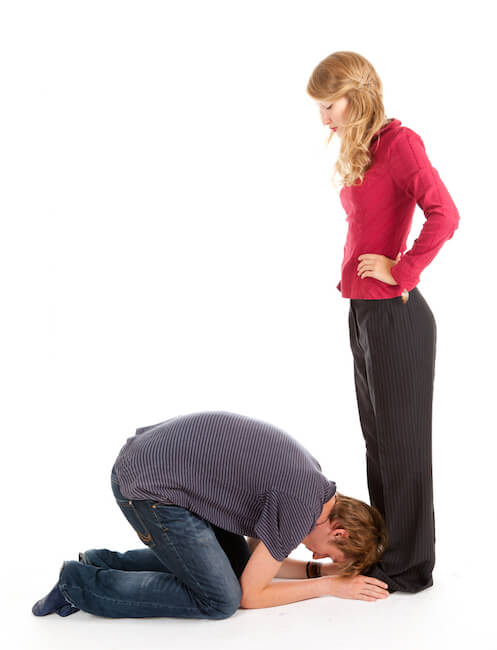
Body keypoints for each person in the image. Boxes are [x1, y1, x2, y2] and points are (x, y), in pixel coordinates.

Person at [306, 51, 460, 593]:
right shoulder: (363, 147)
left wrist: (403, 271)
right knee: (380, 443)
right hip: (364, 311)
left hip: (397, 315)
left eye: (331, 105)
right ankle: (387, 555)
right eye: (320, 107)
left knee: (404, 447)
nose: (325, 117)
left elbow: (446, 213)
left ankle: (410, 569)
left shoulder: (400, 142)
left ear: (358, 95)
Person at [32, 410, 388, 620]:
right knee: (220, 600)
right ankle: (78, 584)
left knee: (231, 569)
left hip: (154, 466)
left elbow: (254, 564)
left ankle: (101, 562)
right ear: (339, 531)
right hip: (149, 487)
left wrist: (319, 571)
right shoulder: (300, 507)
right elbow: (250, 596)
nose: (314, 554)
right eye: (327, 554)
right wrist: (328, 585)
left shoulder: (314, 485)